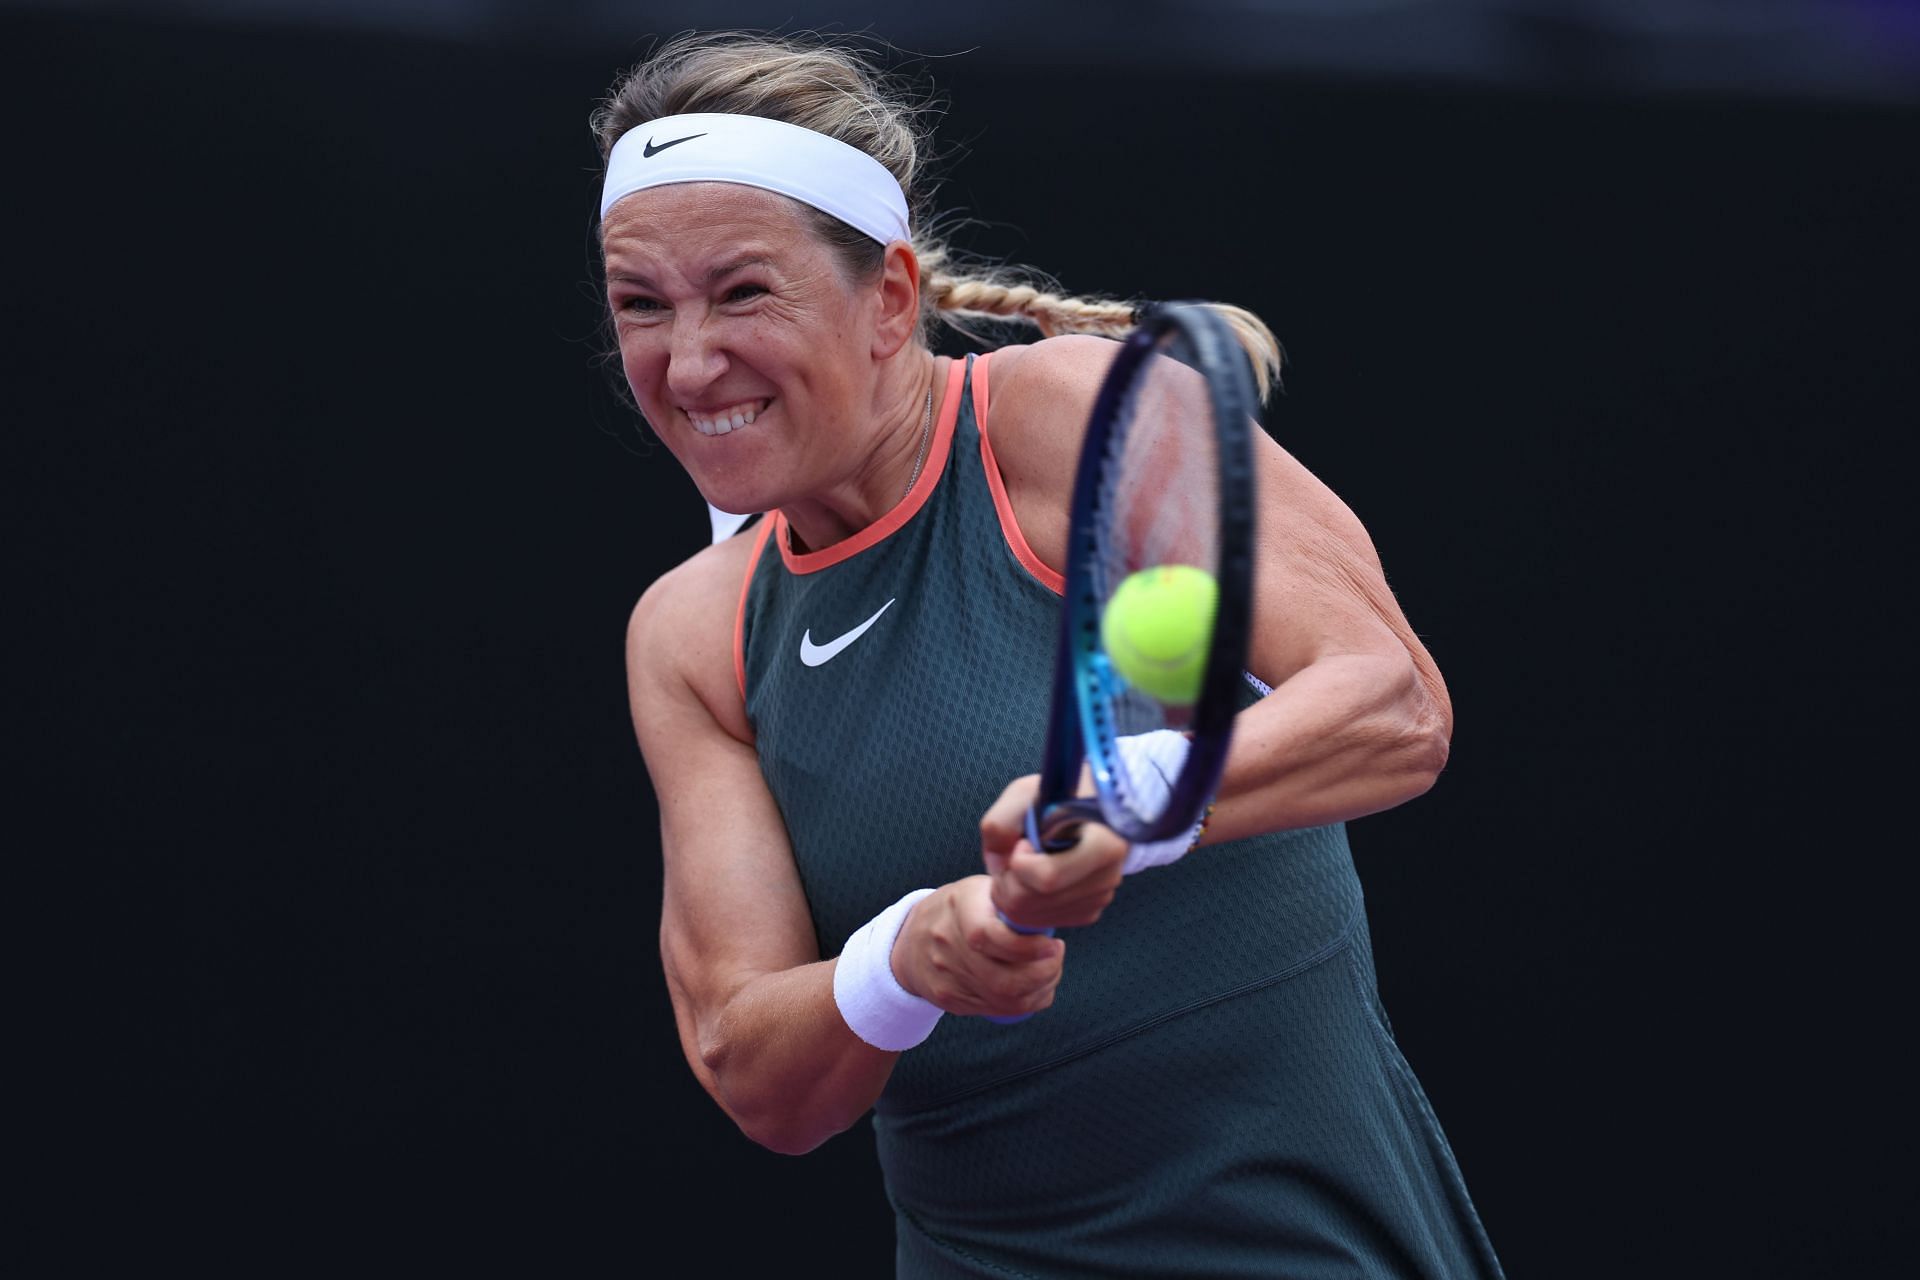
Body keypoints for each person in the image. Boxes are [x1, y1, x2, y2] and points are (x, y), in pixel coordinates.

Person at [606, 32, 1504, 1279]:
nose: (686, 360)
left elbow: (1395, 706)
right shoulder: (694, 633)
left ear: (891, 298)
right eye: (641, 303)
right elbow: (757, 1070)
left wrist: (1122, 804)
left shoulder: (1079, 418)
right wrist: (907, 955)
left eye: (743, 292)